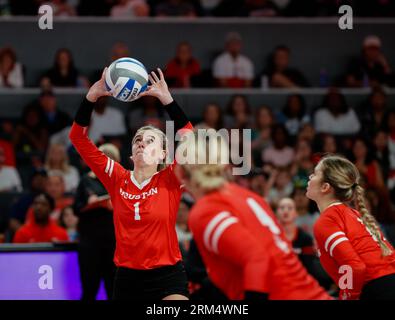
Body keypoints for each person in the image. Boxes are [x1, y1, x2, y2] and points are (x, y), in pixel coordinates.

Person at [69, 68, 192, 300]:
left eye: (150, 141)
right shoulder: (117, 178)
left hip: (167, 275)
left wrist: (167, 100)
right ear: (130, 153)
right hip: (127, 278)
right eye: (137, 140)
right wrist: (91, 97)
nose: (141, 144)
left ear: (163, 154)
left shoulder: (171, 178)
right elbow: (78, 138)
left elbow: (189, 137)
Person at [173, 130, 331, 300]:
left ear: (181, 172)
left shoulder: (206, 210)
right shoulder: (249, 196)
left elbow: (257, 258)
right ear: (225, 164)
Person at [307, 154, 395, 300]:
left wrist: (347, 297)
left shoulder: (327, 220)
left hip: (377, 288)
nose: (310, 177)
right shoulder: (354, 214)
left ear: (325, 187)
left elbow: (355, 267)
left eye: (315, 173)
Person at [73, 143, 119, 301]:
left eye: (111, 157)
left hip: (114, 244)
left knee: (113, 290)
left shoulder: (122, 181)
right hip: (89, 243)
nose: (106, 160)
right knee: (89, 289)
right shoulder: (86, 180)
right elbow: (76, 208)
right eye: (103, 156)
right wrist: (90, 204)